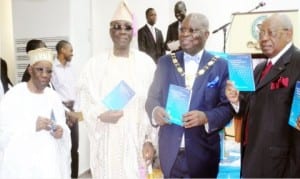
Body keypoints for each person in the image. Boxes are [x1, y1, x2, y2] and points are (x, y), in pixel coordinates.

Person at [145, 13, 233, 178]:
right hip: (170, 153)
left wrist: (206, 117)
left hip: (204, 155)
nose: (184, 34)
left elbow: (228, 108)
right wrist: (155, 111)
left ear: (206, 34)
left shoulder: (221, 66)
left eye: (192, 30)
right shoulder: (165, 62)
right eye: (182, 29)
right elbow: (151, 99)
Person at [78, 1, 157, 178]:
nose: (122, 31)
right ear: (110, 31)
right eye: (117, 26)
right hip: (107, 140)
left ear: (133, 32)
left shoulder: (146, 65)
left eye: (127, 27)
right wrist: (99, 115)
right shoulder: (94, 66)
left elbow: (153, 104)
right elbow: (85, 103)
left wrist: (149, 140)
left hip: (136, 142)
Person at [225, 13, 300, 178]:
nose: (263, 38)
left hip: (279, 167)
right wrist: (236, 100)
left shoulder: (297, 64)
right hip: (251, 161)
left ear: (289, 34)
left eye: (270, 33)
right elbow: (248, 107)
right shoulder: (259, 69)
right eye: (261, 34)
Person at [0, 48, 71, 178]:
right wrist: (32, 126)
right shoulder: (14, 96)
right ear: (30, 70)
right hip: (23, 167)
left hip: (50, 164)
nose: (45, 75)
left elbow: (62, 125)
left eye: (49, 71)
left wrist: (61, 131)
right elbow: (3, 133)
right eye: (40, 69)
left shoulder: (53, 96)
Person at [51, 40, 79, 178]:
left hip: (74, 109)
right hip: (61, 111)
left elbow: (77, 91)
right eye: (70, 50)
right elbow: (52, 93)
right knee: (62, 147)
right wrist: (66, 112)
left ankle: (74, 176)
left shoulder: (71, 67)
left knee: (75, 147)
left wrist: (77, 112)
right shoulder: (52, 68)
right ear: (62, 50)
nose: (72, 54)